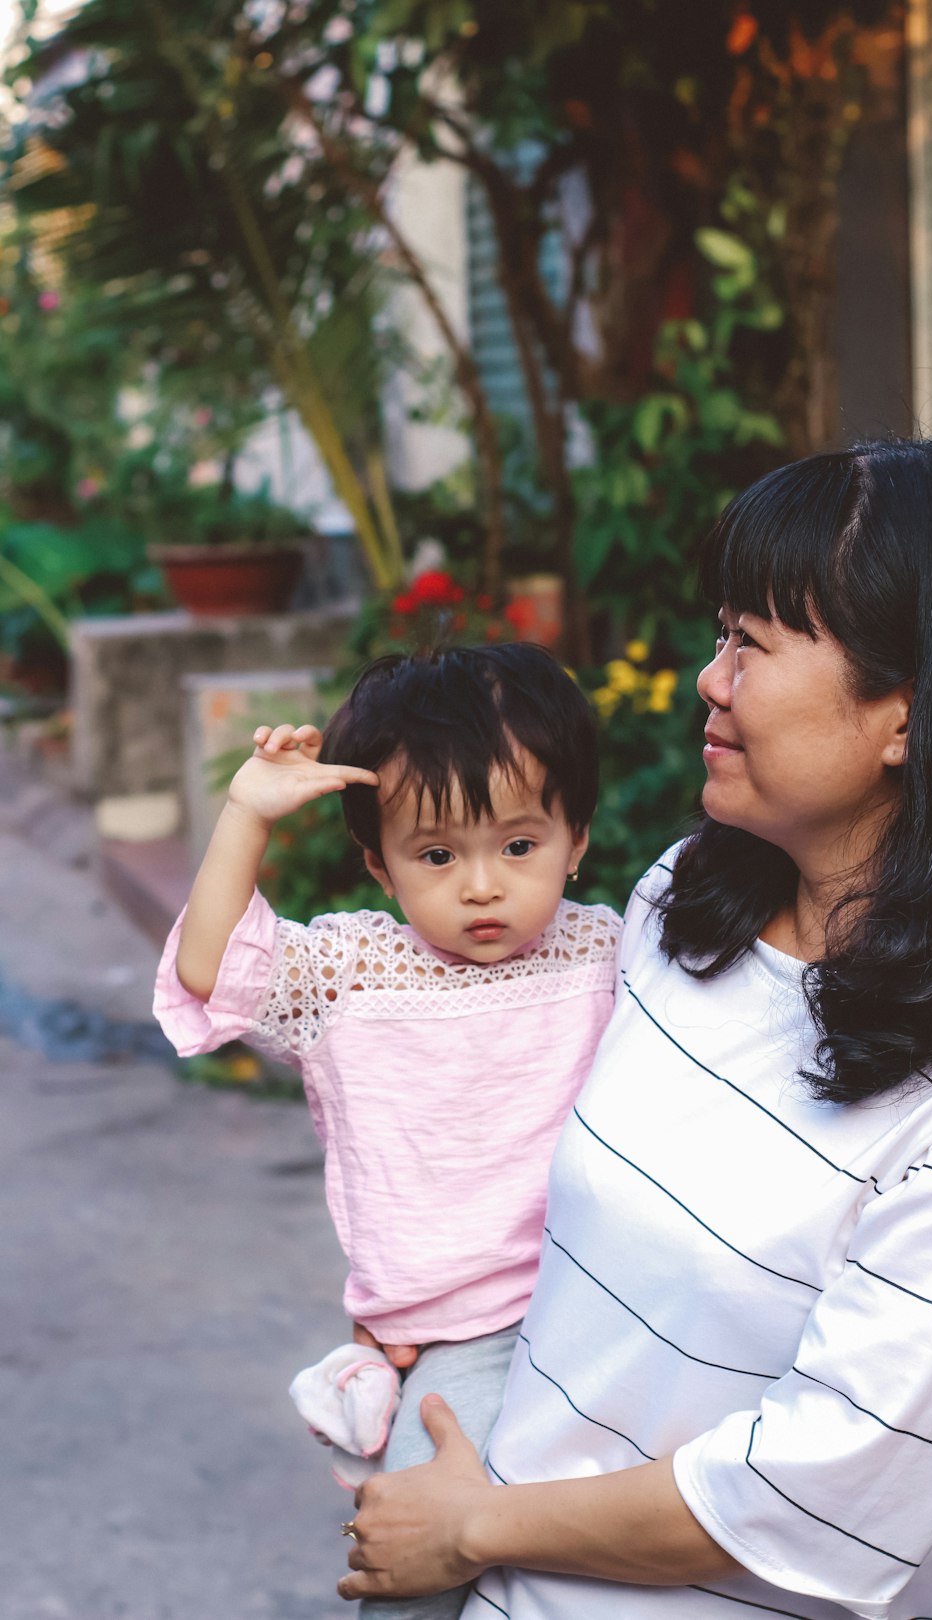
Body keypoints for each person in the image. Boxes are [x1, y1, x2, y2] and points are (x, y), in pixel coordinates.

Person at [336, 438, 932, 1620]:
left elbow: (815, 1500)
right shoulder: (686, 904)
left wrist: (472, 1526)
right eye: (719, 630)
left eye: (754, 642)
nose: (707, 678)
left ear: (909, 710)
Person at [153, 643, 622, 1620]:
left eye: (519, 846)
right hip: (463, 1341)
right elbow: (210, 967)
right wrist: (246, 813)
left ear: (576, 838)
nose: (482, 886)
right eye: (438, 854)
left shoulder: (612, 950)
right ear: (379, 862)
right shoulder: (354, 975)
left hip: (614, 1306)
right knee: (414, 1564)